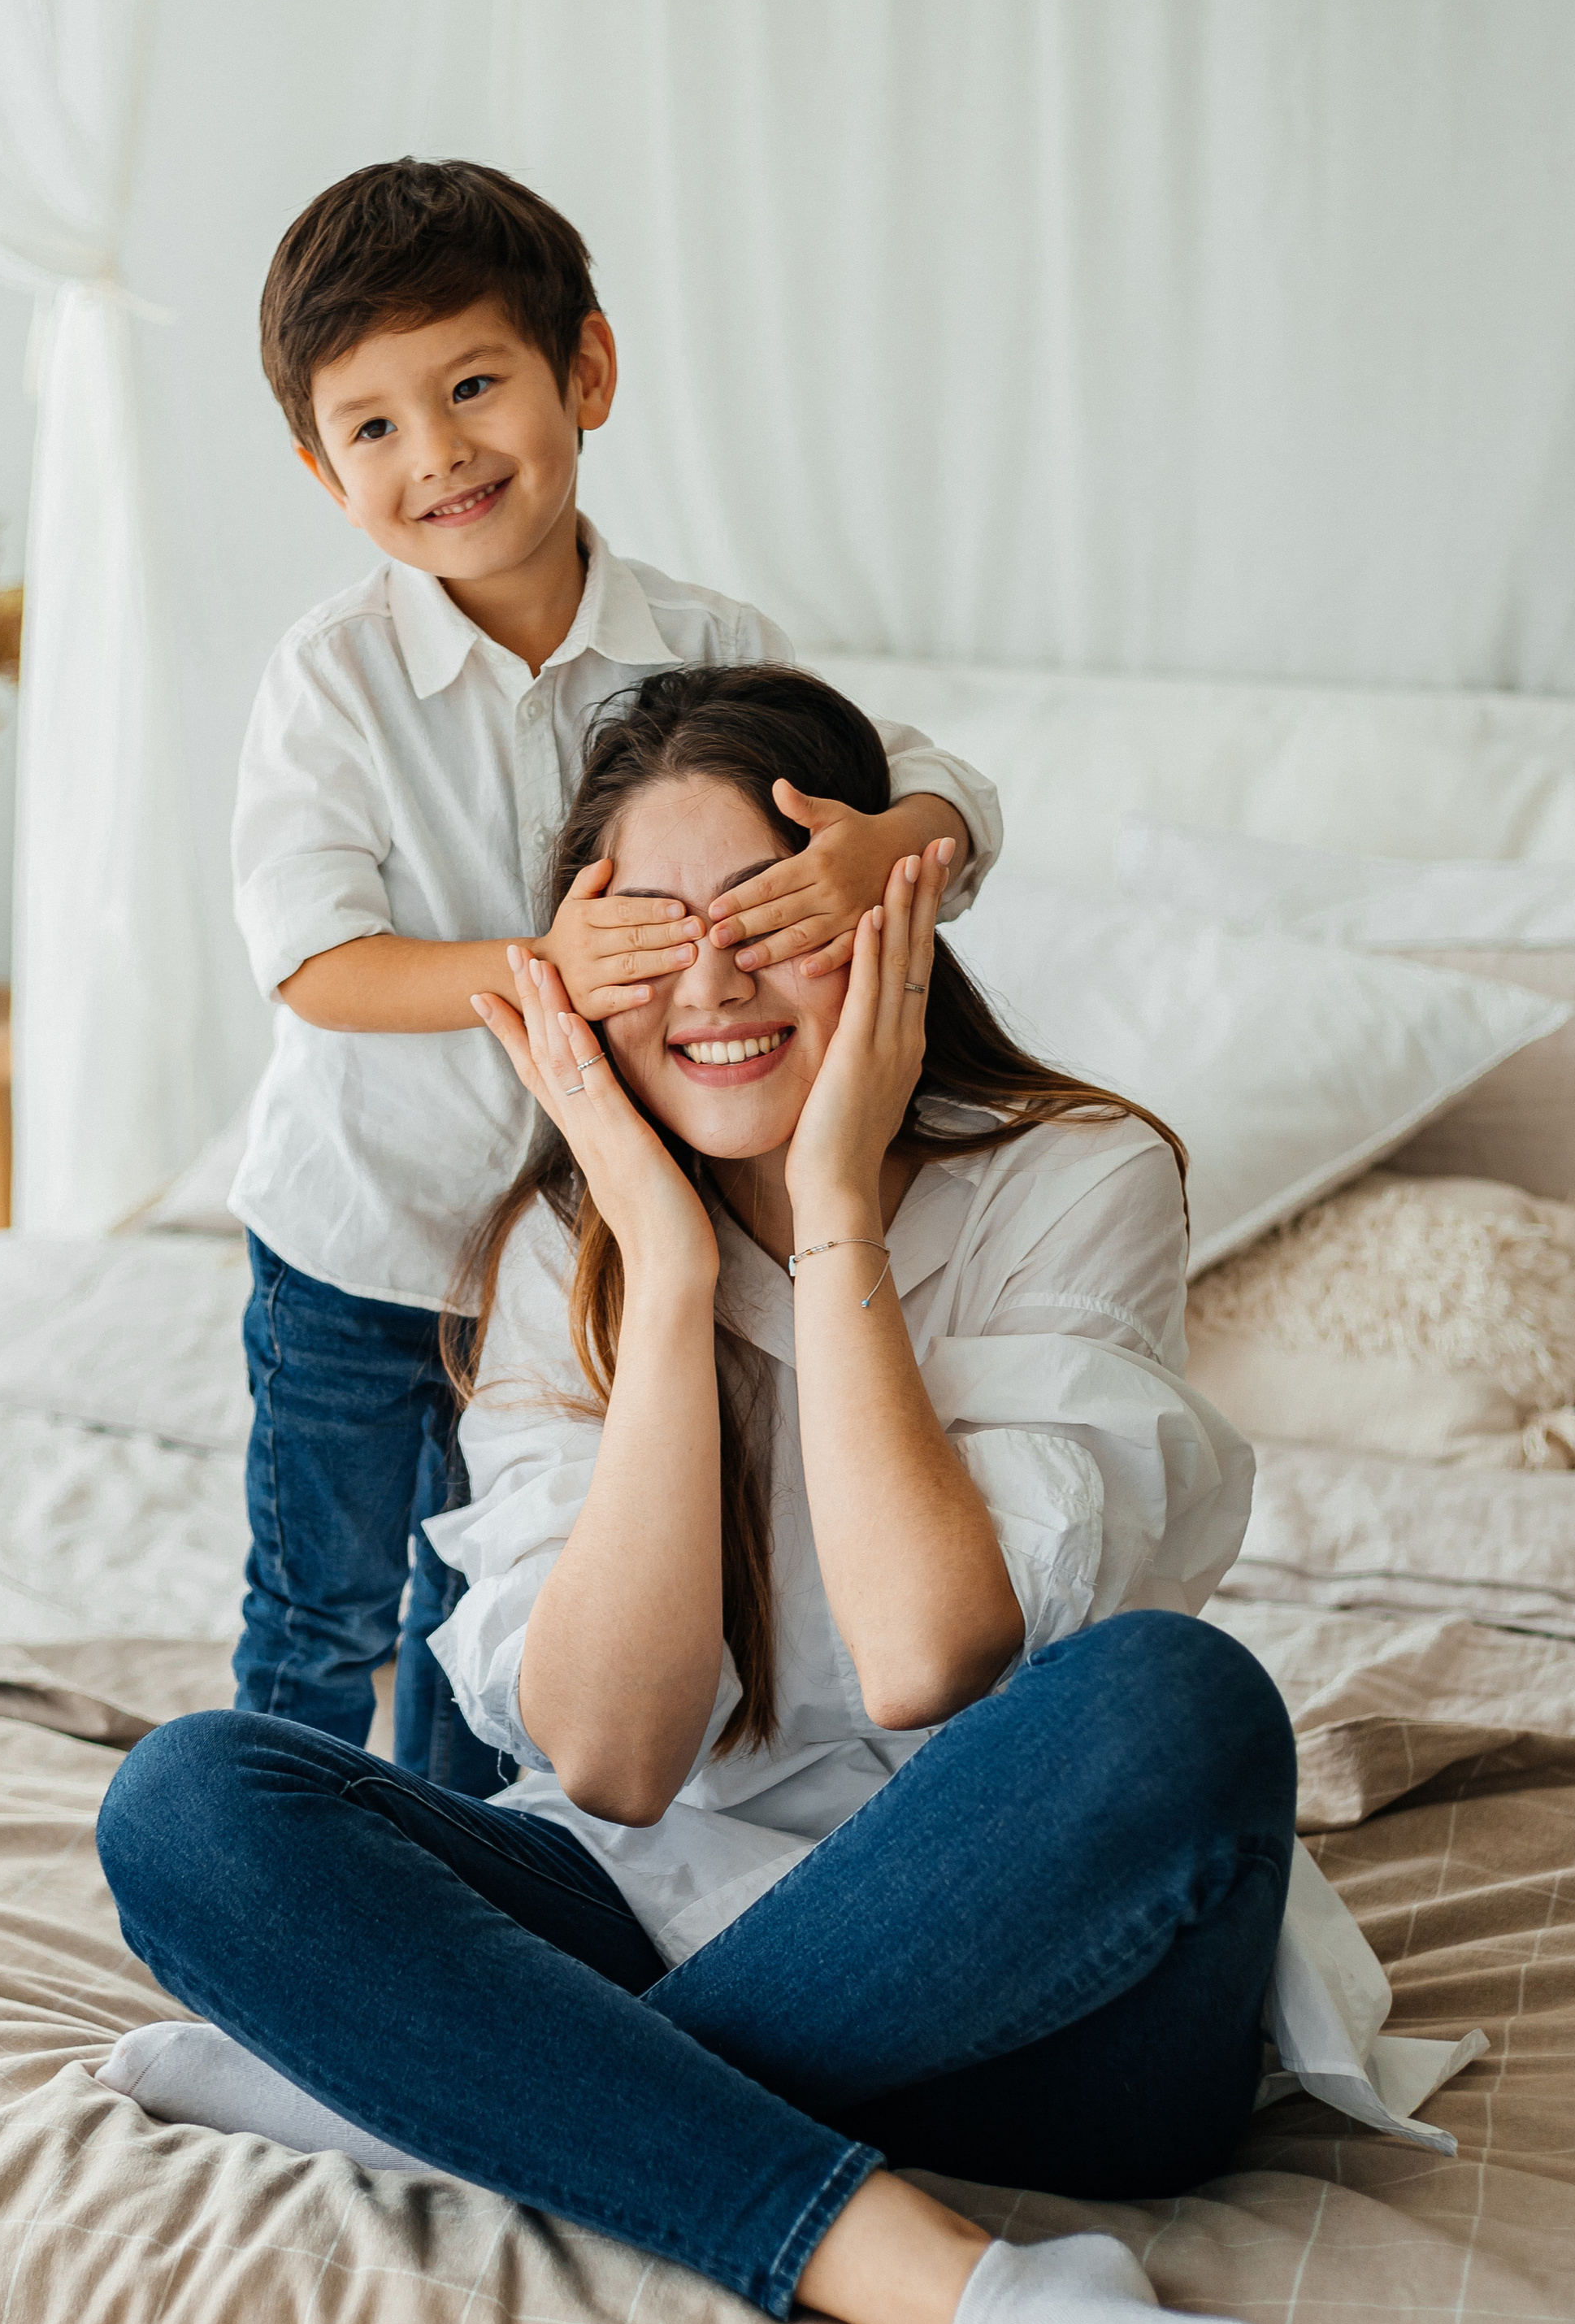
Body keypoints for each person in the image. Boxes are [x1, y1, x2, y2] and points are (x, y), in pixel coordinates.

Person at [99, 665, 1340, 2324]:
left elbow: (936, 1658)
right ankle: (984, 2302)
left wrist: (832, 1204)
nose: (709, 986)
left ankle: (456, 2092)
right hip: (643, 1895)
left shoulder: (1078, 1180)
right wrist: (664, 1269)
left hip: (1038, 2005)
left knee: (1178, 1701)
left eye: (768, 921)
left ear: (886, 915)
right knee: (188, 1805)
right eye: (646, 940)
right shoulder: (557, 1255)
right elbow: (606, 1759)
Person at [228, 159, 1000, 1788]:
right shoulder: (333, 679)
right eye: (371, 427)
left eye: (471, 386)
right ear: (319, 469)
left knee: (495, 1593)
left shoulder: (706, 645)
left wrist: (883, 839)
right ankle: (280, 1863)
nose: (434, 452)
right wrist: (541, 968)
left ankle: (465, 1884)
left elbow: (954, 794)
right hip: (360, 1245)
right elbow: (312, 961)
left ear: (584, 373)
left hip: (574, 1256)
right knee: (323, 1608)